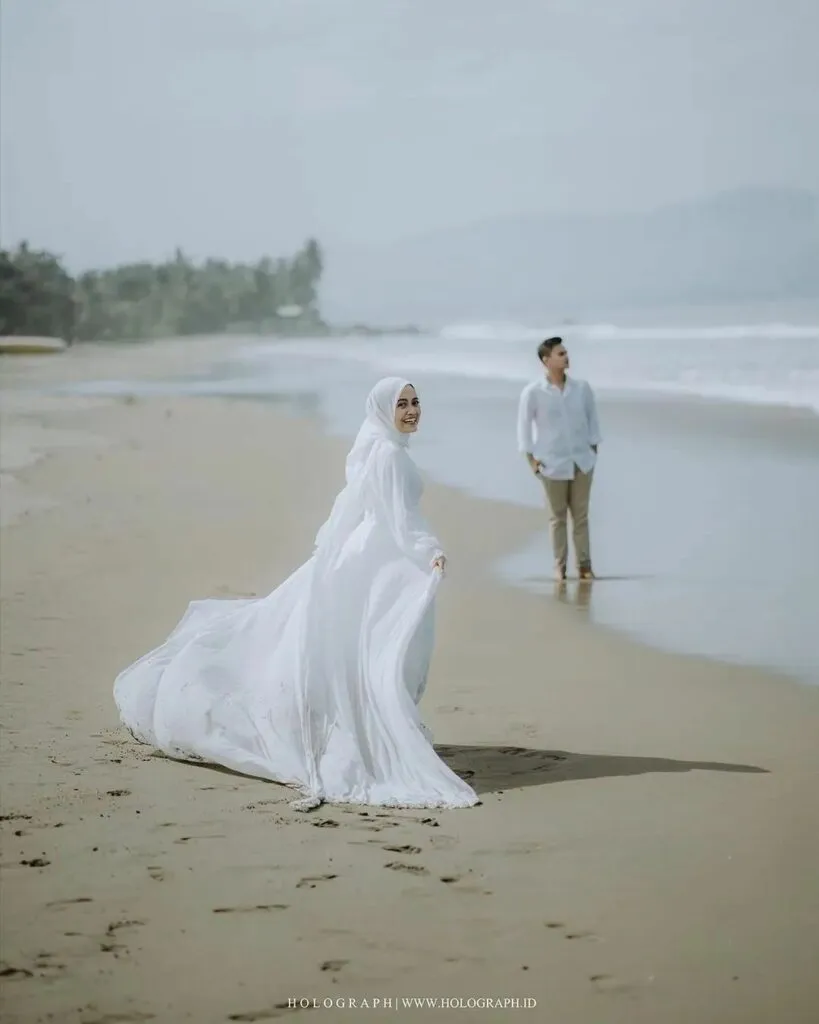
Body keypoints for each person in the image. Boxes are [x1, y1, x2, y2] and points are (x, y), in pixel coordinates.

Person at [113, 377, 478, 812]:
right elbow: (400, 520)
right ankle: (361, 727)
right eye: (402, 403)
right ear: (383, 409)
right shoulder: (388, 454)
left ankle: (364, 722)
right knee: (366, 649)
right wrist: (430, 552)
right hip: (378, 558)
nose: (412, 410)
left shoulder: (381, 448)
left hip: (368, 556)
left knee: (353, 648)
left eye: (416, 402)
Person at [516, 337, 602, 581]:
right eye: (560, 353)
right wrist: (531, 460)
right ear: (546, 360)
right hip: (551, 464)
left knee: (581, 516)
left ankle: (585, 566)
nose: (566, 357)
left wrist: (593, 452)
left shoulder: (582, 389)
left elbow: (592, 421)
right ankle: (559, 567)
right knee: (558, 518)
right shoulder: (532, 393)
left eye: (566, 352)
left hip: (582, 462)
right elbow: (523, 429)